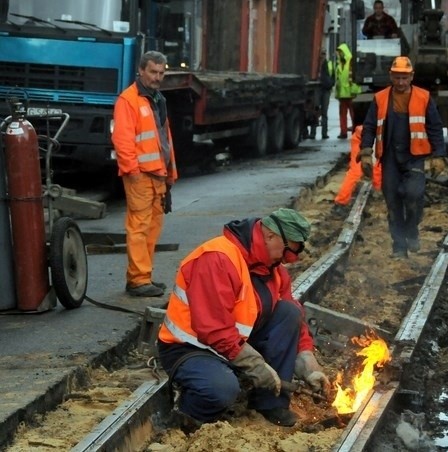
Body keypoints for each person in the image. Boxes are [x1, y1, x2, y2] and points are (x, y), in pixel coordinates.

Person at [156, 208, 331, 427]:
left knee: (289, 312)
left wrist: (308, 364)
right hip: (192, 348)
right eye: (288, 252)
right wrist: (255, 365)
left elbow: (293, 315)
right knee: (221, 390)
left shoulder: (272, 267)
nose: (290, 260)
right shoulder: (217, 259)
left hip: (234, 342)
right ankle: (189, 417)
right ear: (270, 236)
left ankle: (270, 404)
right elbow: (214, 329)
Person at [358, 56, 446, 259]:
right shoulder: (380, 98)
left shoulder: (423, 97)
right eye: (397, 78)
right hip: (389, 157)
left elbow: (434, 128)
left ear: (411, 77)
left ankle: (411, 231)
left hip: (414, 156)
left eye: (404, 78)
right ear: (391, 76)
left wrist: (438, 155)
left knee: (413, 195)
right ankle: (399, 247)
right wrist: (365, 152)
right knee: (393, 203)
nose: (400, 82)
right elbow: (370, 126)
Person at [112, 50, 178, 297]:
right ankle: (139, 280)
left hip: (157, 175)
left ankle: (143, 276)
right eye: (153, 72)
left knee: (151, 229)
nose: (157, 77)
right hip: (141, 175)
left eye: (161, 73)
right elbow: (122, 139)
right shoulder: (129, 100)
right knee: (139, 228)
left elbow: (164, 140)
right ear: (140, 71)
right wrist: (132, 171)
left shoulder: (157, 99)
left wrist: (170, 173)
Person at [332, 125, 382, 215]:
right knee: (357, 171)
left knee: (377, 168)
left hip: (370, 136)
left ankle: (378, 195)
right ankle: (340, 203)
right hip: (366, 138)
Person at [310, 48, 334, 140]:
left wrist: (331, 84)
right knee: (315, 111)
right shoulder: (315, 64)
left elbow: (333, 76)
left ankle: (324, 133)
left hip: (326, 90)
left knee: (324, 112)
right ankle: (313, 133)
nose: (323, 55)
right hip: (317, 89)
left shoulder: (329, 64)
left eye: (324, 53)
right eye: (321, 53)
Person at [335, 43, 355, 139]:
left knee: (353, 114)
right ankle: (343, 132)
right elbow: (338, 81)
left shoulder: (351, 62)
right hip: (342, 95)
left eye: (340, 52)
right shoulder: (339, 64)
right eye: (339, 53)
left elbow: (353, 79)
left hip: (351, 94)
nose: (339, 54)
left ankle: (355, 131)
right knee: (343, 114)